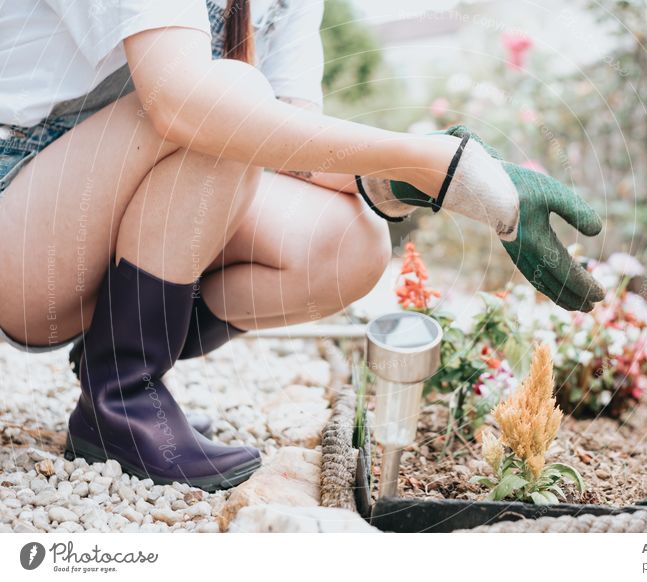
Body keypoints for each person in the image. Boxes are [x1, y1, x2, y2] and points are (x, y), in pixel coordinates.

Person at [0, 0, 604, 491]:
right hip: (26, 231)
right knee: (228, 100)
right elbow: (185, 102)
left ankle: (119, 355)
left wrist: (443, 182)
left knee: (347, 243)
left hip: (102, 203)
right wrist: (425, 159)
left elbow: (297, 152)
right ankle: (122, 399)